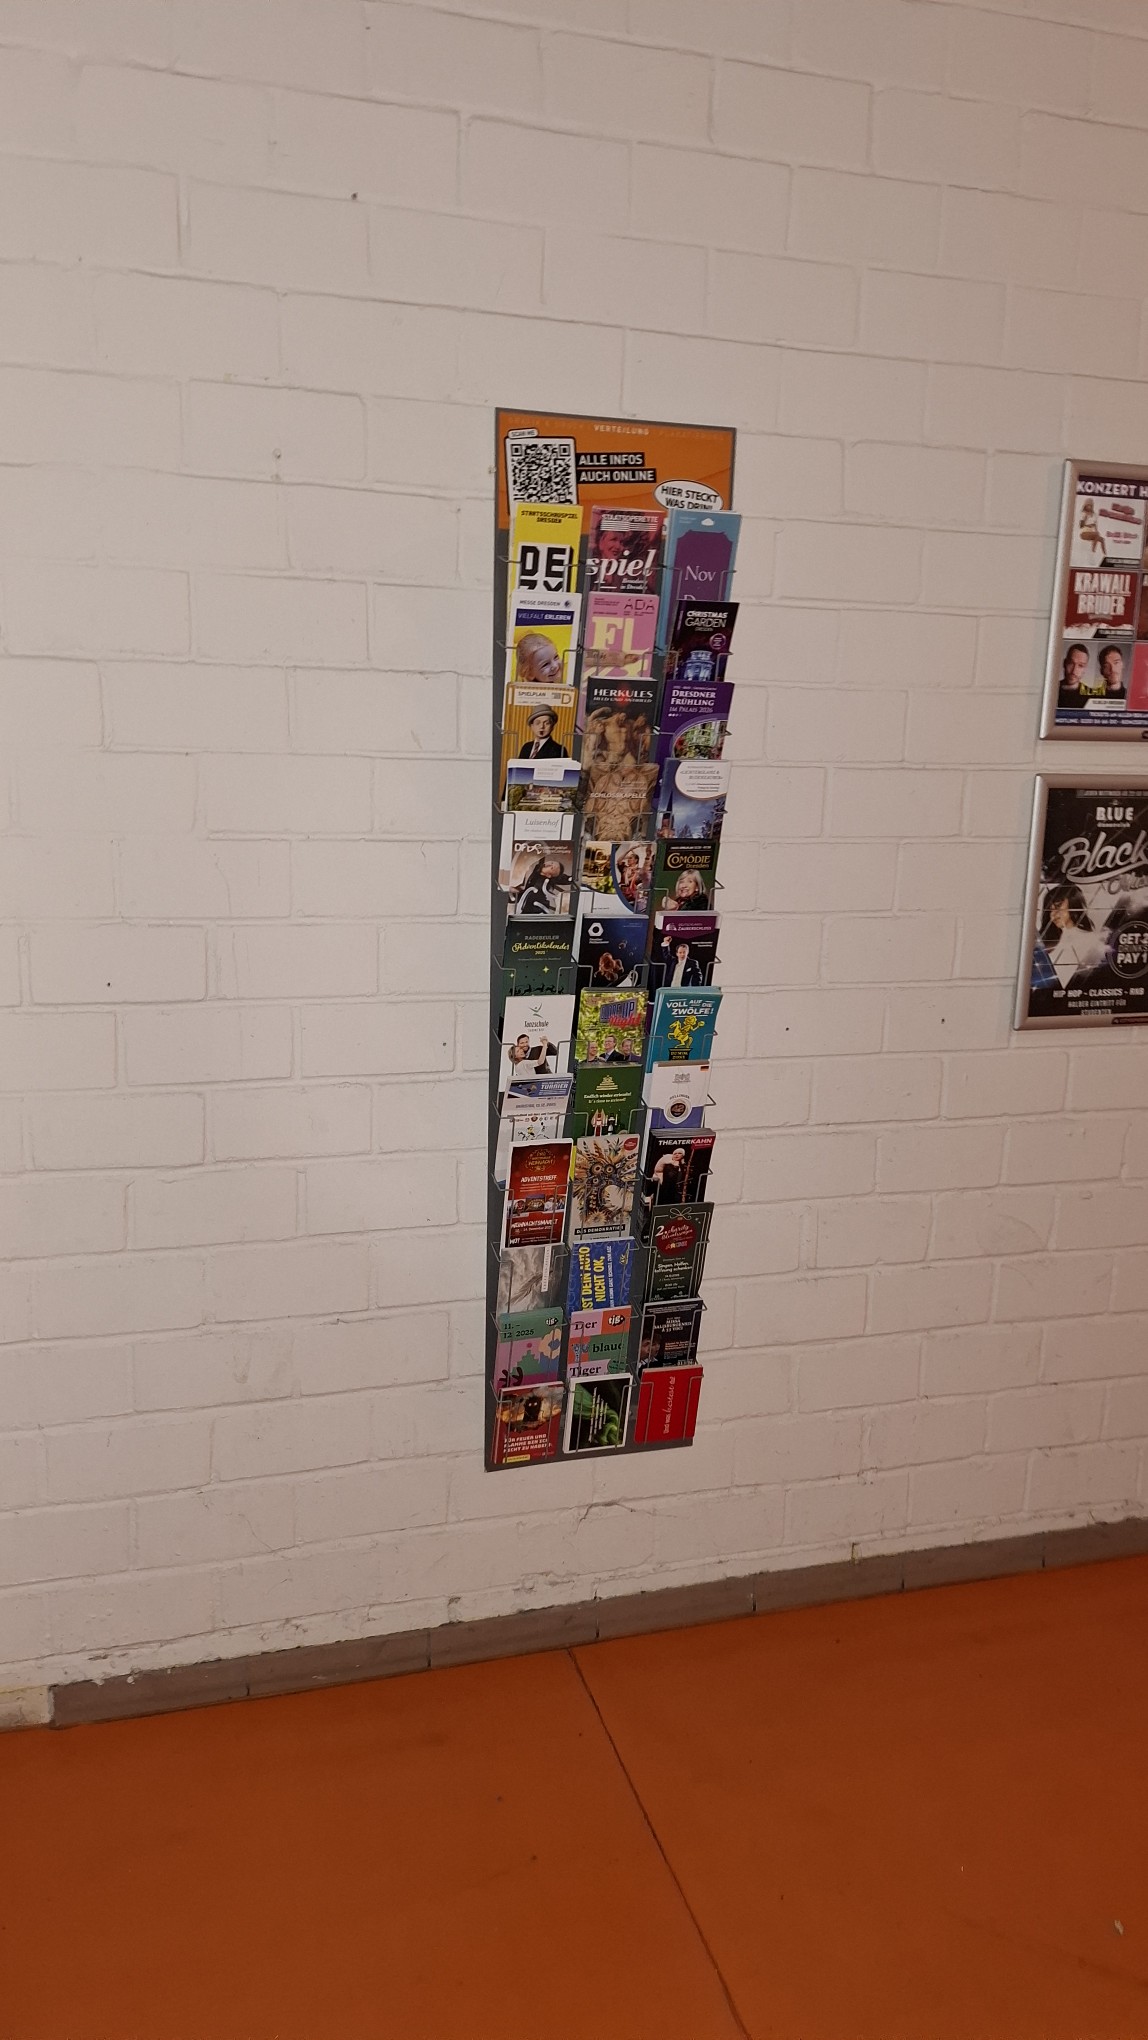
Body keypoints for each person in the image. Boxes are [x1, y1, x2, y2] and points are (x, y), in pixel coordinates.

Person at [1040, 883, 1098, 988]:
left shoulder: (1092, 939)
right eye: (1050, 909)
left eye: (1058, 906)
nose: (1053, 914)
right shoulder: (1046, 941)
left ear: (1073, 903)